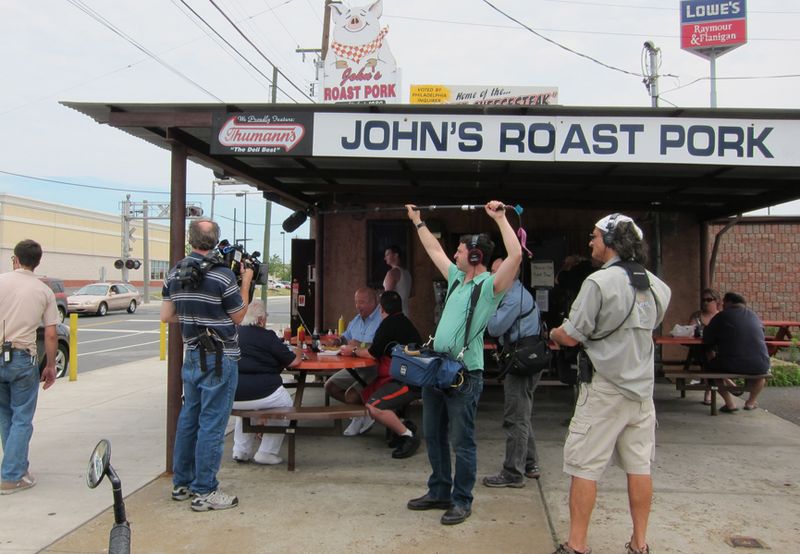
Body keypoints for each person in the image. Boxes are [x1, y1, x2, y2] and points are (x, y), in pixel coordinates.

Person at [550, 213, 671, 554]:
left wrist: (555, 332)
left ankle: (576, 546)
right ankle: (639, 543)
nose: (591, 242)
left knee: (584, 466)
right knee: (639, 466)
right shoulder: (657, 286)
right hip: (642, 394)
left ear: (611, 241)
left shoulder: (598, 283)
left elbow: (573, 335)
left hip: (604, 389)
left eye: (595, 237)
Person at [405, 200, 522, 526]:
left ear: (475, 256)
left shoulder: (490, 286)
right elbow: (433, 250)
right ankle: (439, 491)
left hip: (464, 375)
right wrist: (418, 221)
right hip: (437, 370)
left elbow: (514, 256)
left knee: (462, 441)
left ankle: (461, 500)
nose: (453, 254)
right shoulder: (457, 277)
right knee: (434, 435)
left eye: (459, 251)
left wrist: (500, 219)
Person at [161, 218, 253, 512]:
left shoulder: (174, 272)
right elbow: (238, 316)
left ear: (190, 240)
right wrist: (247, 281)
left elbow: (167, 315)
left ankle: (182, 484)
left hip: (192, 353)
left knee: (190, 418)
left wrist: (194, 319)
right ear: (215, 241)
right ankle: (206, 491)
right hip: (220, 355)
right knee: (212, 423)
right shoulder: (223, 275)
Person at [0, 240, 58, 495]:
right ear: (37, 261)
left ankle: (17, 469)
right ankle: (12, 475)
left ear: (15, 258)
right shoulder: (43, 291)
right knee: (22, 418)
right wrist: (50, 366)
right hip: (23, 357)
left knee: (5, 417)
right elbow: (51, 334)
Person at [482, 257, 543, 488]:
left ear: (510, 273)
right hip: (526, 359)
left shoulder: (512, 299)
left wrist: (486, 305)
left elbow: (494, 327)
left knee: (515, 418)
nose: (492, 275)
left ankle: (512, 473)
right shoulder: (516, 293)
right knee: (522, 413)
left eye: (496, 271)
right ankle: (529, 462)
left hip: (520, 363)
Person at [339, 290, 423, 458]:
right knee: (364, 399)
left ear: (382, 309)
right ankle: (403, 427)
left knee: (374, 406)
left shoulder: (388, 324)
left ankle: (409, 436)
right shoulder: (404, 321)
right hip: (401, 376)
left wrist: (353, 350)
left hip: (406, 381)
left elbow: (372, 353)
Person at [231, 300, 301, 465]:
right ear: (261, 319)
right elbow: (293, 362)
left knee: (246, 408)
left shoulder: (233, 334)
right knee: (285, 405)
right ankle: (266, 452)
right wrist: (297, 350)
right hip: (264, 392)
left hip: (233, 393)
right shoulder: (267, 336)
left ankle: (240, 450)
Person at [326, 287, 382, 436]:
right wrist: (337, 341)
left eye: (362, 302)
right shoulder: (357, 319)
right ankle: (362, 414)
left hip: (375, 368)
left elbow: (379, 348)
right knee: (330, 386)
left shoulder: (381, 318)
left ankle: (362, 415)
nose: (358, 306)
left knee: (351, 395)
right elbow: (346, 335)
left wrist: (359, 346)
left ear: (373, 302)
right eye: (356, 302)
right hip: (356, 367)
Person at [703, 292, 770, 413]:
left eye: (723, 303)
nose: (722, 305)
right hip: (760, 364)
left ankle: (730, 404)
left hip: (730, 363)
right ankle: (750, 402)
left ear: (729, 302)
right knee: (762, 375)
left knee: (710, 368)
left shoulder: (722, 316)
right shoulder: (754, 316)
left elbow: (707, 339)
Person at [686, 288, 722, 405]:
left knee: (710, 358)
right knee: (708, 356)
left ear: (717, 301)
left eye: (709, 299)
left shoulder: (722, 316)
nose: (705, 302)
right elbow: (690, 331)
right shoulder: (697, 315)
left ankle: (709, 392)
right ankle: (723, 383)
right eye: (703, 300)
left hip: (720, 351)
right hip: (699, 350)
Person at [383, 244, 412, 315]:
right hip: (405, 314)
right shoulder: (407, 273)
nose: (385, 258)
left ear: (396, 255)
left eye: (387, 254)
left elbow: (387, 298)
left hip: (394, 316)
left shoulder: (392, 273)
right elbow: (411, 293)